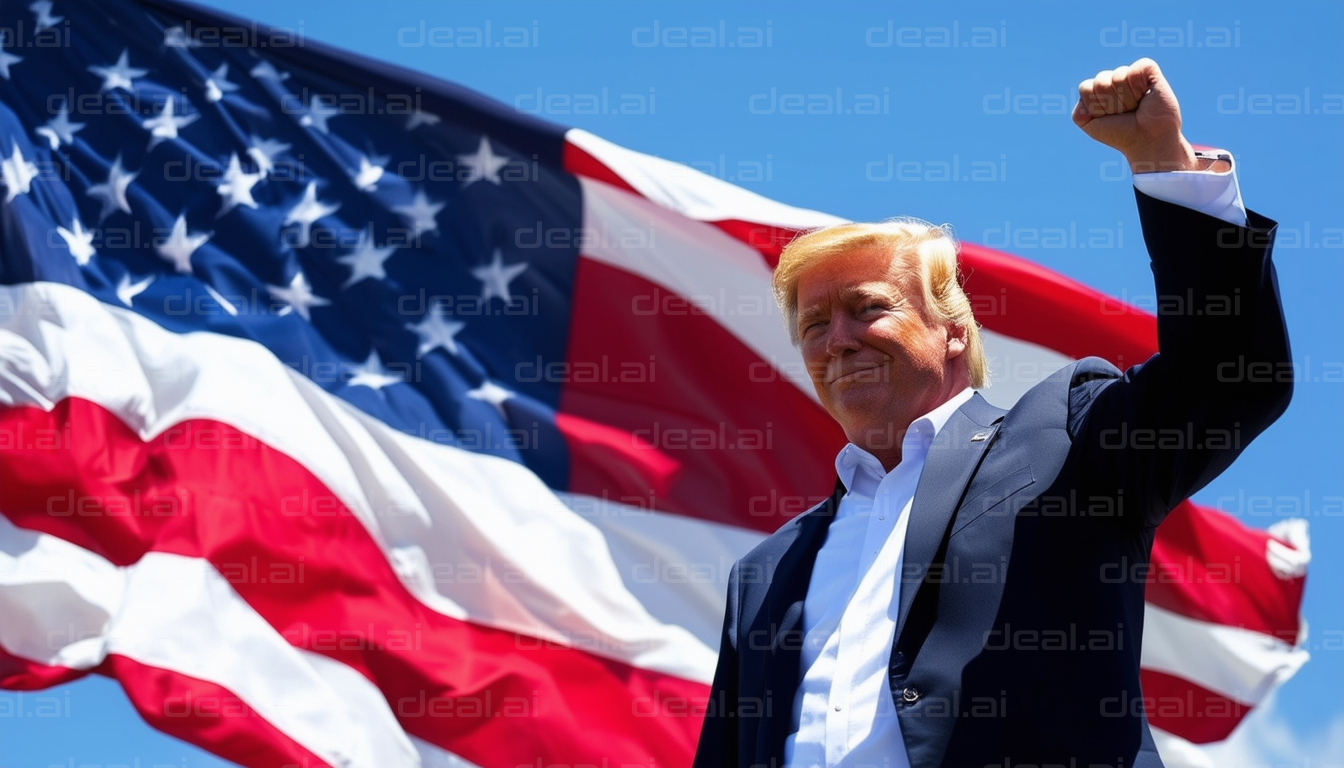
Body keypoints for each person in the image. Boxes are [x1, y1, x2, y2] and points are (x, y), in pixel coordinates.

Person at [692, 58, 1291, 768]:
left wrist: (1163, 164)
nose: (837, 340)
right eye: (814, 324)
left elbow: (1229, 375)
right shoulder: (764, 571)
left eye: (866, 309)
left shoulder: (1063, 440)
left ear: (954, 330)